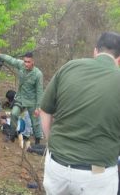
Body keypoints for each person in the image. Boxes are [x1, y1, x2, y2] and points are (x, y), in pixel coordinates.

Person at [40, 32, 120, 195]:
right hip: (97, 174)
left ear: (95, 51)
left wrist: (51, 142)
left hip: (57, 168)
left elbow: (45, 110)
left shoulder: (70, 67)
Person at [0, 49, 43, 144]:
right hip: (20, 98)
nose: (26, 64)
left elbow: (40, 92)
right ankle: (11, 135)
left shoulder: (38, 74)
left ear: (33, 62)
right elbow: (11, 60)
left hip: (32, 100)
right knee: (14, 113)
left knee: (35, 121)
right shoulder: (21, 65)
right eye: (25, 61)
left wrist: (38, 107)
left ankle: (37, 142)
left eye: (28, 62)